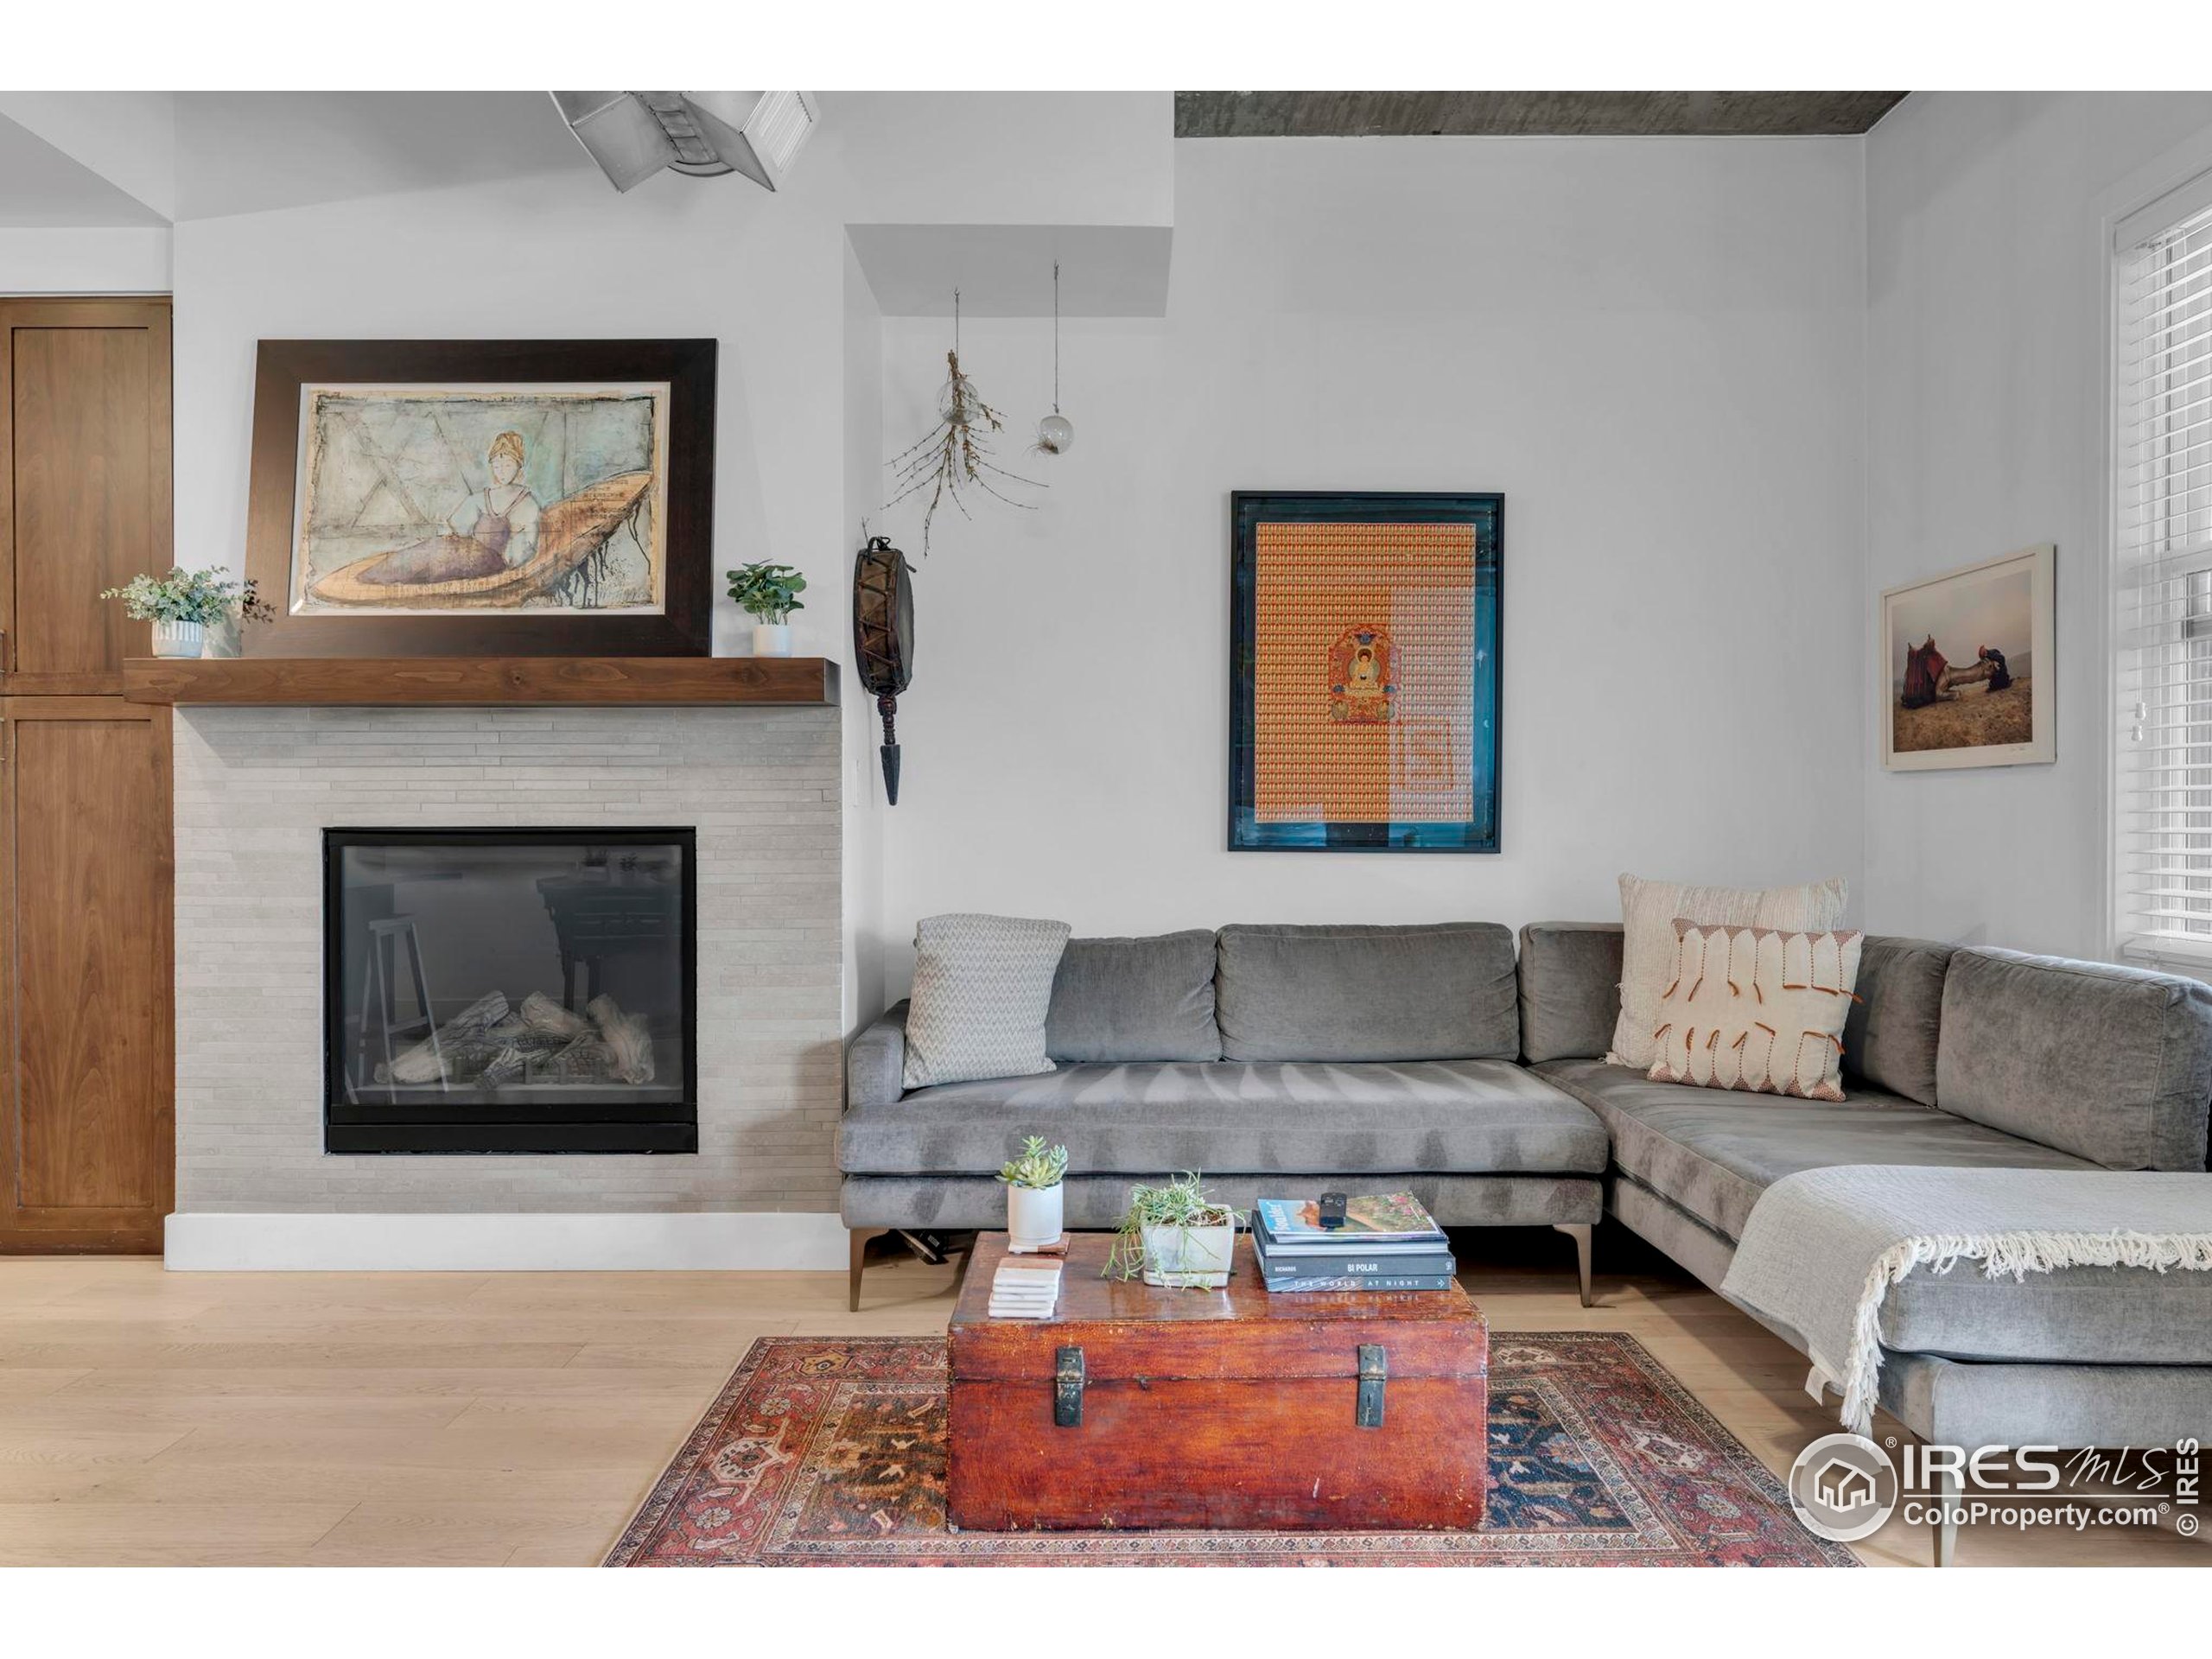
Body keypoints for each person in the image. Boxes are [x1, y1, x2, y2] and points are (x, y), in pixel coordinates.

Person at [446, 430, 540, 569]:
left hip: (496, 569)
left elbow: (521, 553)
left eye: (508, 465)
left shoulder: (528, 504)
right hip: (467, 562)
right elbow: (457, 530)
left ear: (518, 465)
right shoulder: (480, 499)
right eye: (497, 466)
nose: (501, 471)